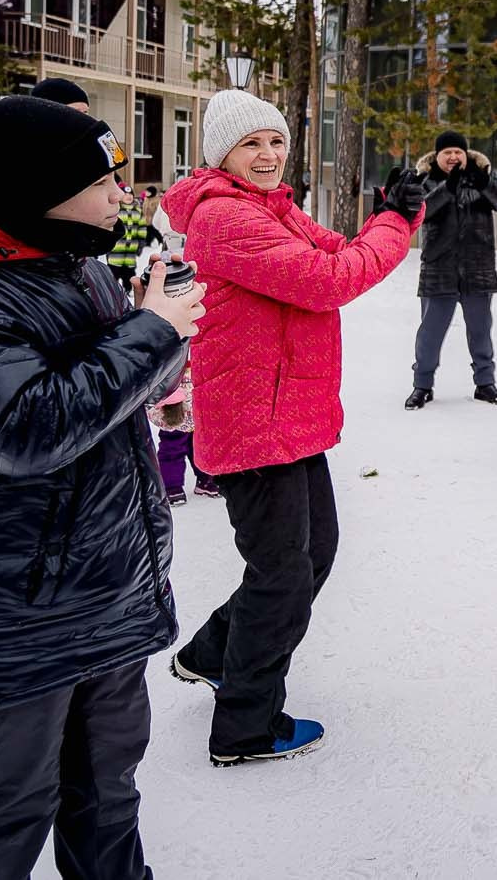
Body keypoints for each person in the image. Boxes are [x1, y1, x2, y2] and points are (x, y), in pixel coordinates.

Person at [0, 94, 204, 877]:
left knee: (107, 793)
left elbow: (104, 385)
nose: (123, 196)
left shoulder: (77, 264)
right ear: (38, 188)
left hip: (104, 591)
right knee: (4, 811)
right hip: (8, 617)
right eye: (105, 180)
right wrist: (151, 331)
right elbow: (27, 430)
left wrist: (164, 342)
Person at [162, 88, 424, 767]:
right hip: (255, 420)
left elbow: (343, 247)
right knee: (282, 574)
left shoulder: (271, 208)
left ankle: (215, 652)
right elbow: (330, 278)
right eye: (252, 144)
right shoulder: (225, 218)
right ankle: (244, 726)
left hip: (288, 416)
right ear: (223, 153)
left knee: (313, 552)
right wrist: (395, 221)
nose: (269, 154)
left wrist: (390, 213)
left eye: (275, 141)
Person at [406, 129, 497, 410]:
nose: (453, 157)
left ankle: (485, 383)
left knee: (481, 331)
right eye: (447, 153)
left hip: (478, 270)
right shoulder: (425, 181)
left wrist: (486, 183)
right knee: (430, 333)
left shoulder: (481, 178)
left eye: (458, 152)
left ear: (466, 155)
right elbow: (422, 212)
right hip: (438, 270)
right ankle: (422, 385)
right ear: (437, 156)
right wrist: (448, 188)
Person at [147, 368, 219, 504]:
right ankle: (172, 486)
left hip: (195, 400)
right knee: (173, 445)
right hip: (173, 405)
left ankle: (206, 479)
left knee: (200, 444)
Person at [105, 184, 151, 287]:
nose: (128, 196)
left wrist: (141, 242)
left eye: (130, 194)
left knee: (129, 273)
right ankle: (112, 290)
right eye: (125, 194)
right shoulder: (116, 211)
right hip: (116, 249)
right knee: (113, 273)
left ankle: (128, 289)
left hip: (131, 250)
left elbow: (142, 227)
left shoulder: (137, 211)